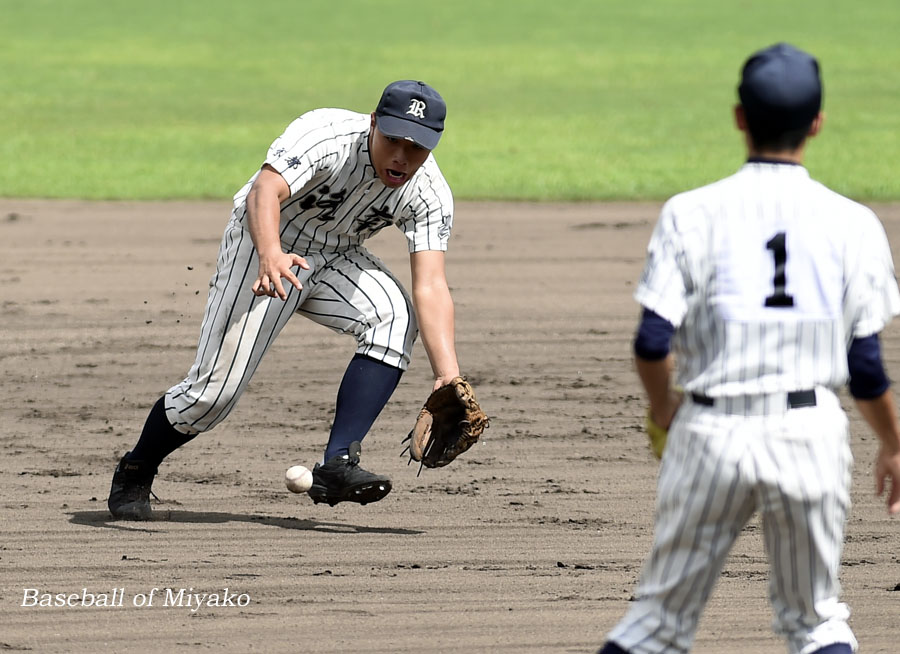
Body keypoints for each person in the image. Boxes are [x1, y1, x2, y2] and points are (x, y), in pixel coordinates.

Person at [598, 43, 900, 654]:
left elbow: (652, 342)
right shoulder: (853, 222)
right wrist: (893, 444)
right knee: (816, 623)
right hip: (809, 434)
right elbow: (865, 368)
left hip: (710, 432)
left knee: (655, 625)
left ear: (740, 117)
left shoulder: (691, 213)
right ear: (817, 122)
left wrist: (664, 411)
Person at [108, 80, 462, 519]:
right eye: (392, 139)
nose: (402, 156)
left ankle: (338, 463)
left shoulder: (428, 191)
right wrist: (270, 253)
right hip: (265, 242)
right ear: (373, 123)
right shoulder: (326, 134)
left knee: (394, 318)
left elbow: (430, 283)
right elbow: (264, 190)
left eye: (417, 147)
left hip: (340, 254)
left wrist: (448, 376)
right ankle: (138, 464)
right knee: (211, 396)